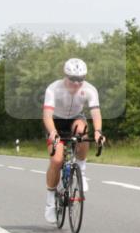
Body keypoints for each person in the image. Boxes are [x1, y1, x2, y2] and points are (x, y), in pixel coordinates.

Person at [43, 58, 103, 224]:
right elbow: (47, 115)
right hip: (55, 122)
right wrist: (53, 132)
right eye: (73, 79)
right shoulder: (54, 89)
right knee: (56, 160)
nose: (77, 83)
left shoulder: (90, 90)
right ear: (65, 76)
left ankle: (81, 170)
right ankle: (50, 203)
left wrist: (98, 131)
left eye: (80, 80)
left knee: (82, 131)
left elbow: (95, 113)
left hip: (75, 119)